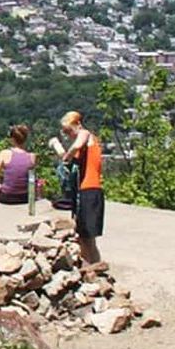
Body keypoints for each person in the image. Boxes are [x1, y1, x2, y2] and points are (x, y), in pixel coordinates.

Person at [50, 111, 104, 267]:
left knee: (88, 237)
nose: (68, 135)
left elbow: (77, 144)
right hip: (81, 191)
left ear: (78, 124)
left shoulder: (86, 135)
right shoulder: (80, 149)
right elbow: (67, 158)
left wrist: (67, 153)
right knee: (83, 237)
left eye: (69, 131)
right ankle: (90, 267)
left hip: (90, 190)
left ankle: (93, 267)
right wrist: (57, 146)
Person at [0, 124, 36, 205]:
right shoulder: (32, 157)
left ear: (12, 139)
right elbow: (32, 180)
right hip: (24, 197)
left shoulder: (4, 153)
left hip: (7, 197)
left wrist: (2, 181)